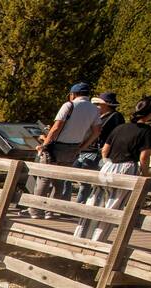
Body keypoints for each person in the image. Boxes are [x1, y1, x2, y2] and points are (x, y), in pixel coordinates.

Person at [75, 95, 151, 243]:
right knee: (113, 207)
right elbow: (144, 158)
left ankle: (80, 237)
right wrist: (144, 177)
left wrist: (108, 164)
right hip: (127, 168)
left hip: (108, 167)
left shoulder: (120, 128)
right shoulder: (148, 132)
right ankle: (97, 242)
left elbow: (105, 151)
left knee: (94, 201)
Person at [31, 82, 102, 219]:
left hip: (56, 146)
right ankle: (50, 211)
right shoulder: (94, 109)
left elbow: (57, 127)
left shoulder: (69, 105)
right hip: (74, 147)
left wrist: (44, 144)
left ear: (73, 94)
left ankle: (35, 210)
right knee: (60, 180)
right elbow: (97, 131)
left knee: (44, 178)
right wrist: (83, 146)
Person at [71, 92, 125, 210]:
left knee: (86, 180)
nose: (96, 106)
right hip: (86, 149)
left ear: (106, 105)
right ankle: (77, 204)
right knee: (71, 175)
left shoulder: (115, 117)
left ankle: (80, 205)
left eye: (98, 104)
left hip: (96, 151)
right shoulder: (99, 116)